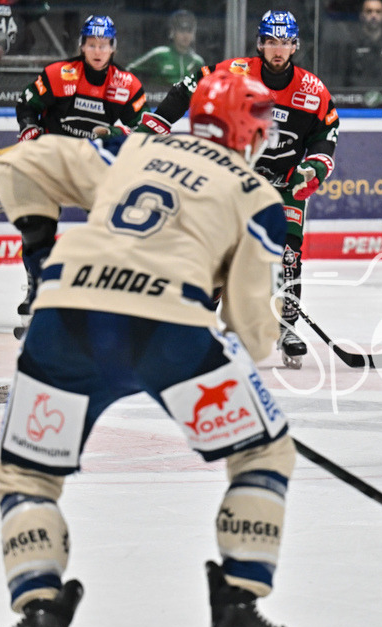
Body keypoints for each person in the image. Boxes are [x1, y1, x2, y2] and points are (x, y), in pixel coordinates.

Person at [0, 70, 315, 627]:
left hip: (66, 317)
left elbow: (19, 164)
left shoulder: (133, 148)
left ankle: (37, 624)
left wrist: (44, 258)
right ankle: (239, 618)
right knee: (263, 453)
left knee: (28, 473)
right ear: (251, 131)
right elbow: (253, 331)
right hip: (169, 329)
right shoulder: (256, 193)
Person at [143, 10, 340, 370]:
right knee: (221, 249)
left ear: (295, 46)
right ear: (260, 44)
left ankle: (286, 327)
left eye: (285, 42)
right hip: (236, 178)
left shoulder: (312, 90)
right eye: (271, 41)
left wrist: (314, 167)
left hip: (284, 184)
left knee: (288, 255)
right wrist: (158, 122)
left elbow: (326, 132)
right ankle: (199, 322)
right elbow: (189, 87)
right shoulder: (236, 72)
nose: (278, 49)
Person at [11, 14, 147, 337]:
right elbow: (26, 104)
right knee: (36, 221)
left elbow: (145, 129)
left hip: (94, 168)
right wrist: (31, 131)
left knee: (113, 227)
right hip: (54, 162)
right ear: (82, 46)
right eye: (92, 44)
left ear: (113, 48)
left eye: (104, 44)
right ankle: (37, 285)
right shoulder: (59, 75)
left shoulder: (127, 85)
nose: (98, 51)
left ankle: (105, 294)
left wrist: (115, 133)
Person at [322, 0, 382, 88]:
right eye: (369, 11)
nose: (374, 16)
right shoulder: (351, 45)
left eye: (378, 12)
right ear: (362, 15)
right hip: (356, 95)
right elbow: (341, 79)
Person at [126, 9, 205, 89]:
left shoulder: (197, 62)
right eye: (181, 30)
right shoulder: (159, 54)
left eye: (189, 31)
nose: (185, 35)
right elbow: (128, 71)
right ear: (172, 32)